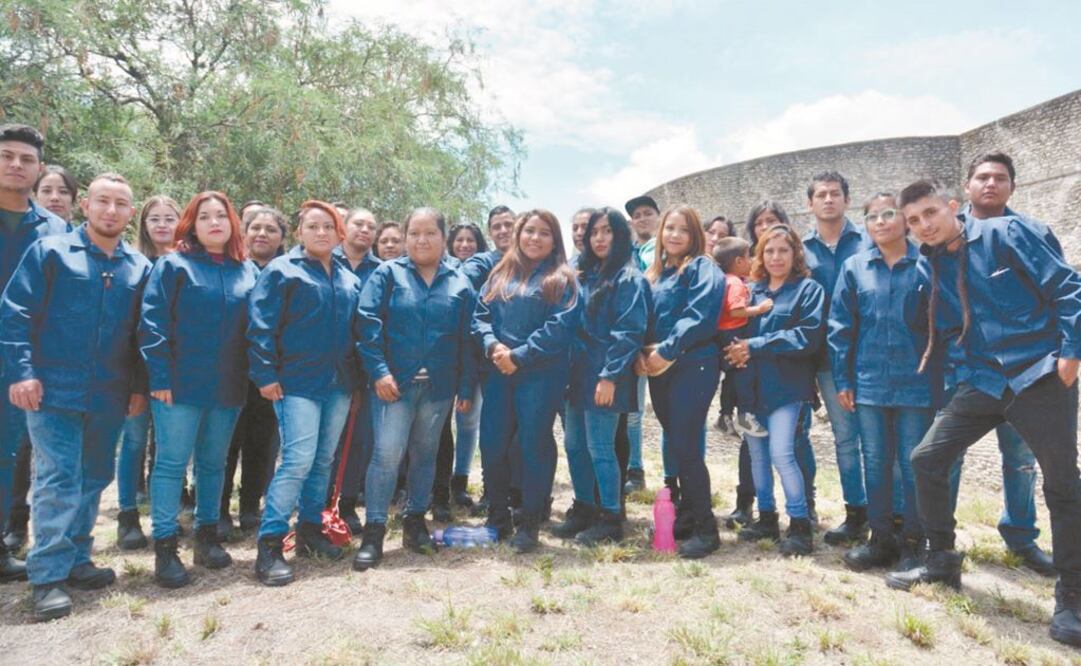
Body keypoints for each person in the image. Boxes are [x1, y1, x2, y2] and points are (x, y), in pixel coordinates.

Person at [884, 179, 1081, 649]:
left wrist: (1071, 352)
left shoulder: (1006, 234)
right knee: (927, 458)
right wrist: (961, 371)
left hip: (1037, 374)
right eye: (913, 221)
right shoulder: (927, 266)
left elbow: (1068, 286)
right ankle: (942, 562)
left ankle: (1072, 596)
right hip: (982, 382)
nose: (923, 225)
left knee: (1061, 483)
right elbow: (945, 326)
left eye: (930, 213)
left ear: (953, 206)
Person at [1, 172, 151, 620]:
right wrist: (22, 373)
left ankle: (77, 558)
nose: (111, 211)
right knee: (56, 478)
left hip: (110, 393)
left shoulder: (139, 268)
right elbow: (15, 314)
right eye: (102, 201)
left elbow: (143, 335)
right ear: (85, 204)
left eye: (120, 204)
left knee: (93, 476)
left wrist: (139, 387)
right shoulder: (50, 252)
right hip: (52, 391)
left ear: (130, 212)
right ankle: (46, 576)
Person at [941, 152, 1055, 576]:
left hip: (1024, 370)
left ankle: (1021, 538)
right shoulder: (947, 238)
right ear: (967, 185)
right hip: (966, 371)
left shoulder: (1031, 232)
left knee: (1021, 457)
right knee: (946, 454)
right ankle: (941, 540)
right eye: (982, 177)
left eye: (1000, 178)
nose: (991, 184)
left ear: (1012, 186)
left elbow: (1055, 291)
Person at [139, 191, 257, 588]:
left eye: (221, 216)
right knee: (172, 464)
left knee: (214, 464)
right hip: (178, 386)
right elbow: (152, 324)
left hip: (227, 385)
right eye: (204, 216)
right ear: (191, 223)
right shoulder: (174, 265)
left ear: (232, 223)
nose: (214, 222)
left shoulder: (246, 271)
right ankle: (166, 547)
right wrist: (159, 378)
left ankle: (206, 538)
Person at [351, 208, 477, 570]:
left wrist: (466, 386)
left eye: (430, 234)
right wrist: (378, 372)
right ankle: (374, 531)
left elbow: (468, 339)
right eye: (415, 234)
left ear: (443, 237)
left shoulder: (459, 281)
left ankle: (414, 521)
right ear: (405, 239)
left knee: (425, 454)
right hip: (394, 385)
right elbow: (367, 325)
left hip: (438, 387)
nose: (422, 240)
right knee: (387, 455)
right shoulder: (387, 274)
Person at [248, 201, 362, 586]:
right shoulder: (283, 271)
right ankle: (270, 544)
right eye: (313, 226)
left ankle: (311, 531)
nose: (322, 233)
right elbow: (260, 325)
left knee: (322, 460)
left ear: (339, 233)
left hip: (339, 383)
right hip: (296, 381)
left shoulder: (346, 275)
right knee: (296, 459)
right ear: (300, 233)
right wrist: (264, 373)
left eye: (329, 227)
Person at [828, 193, 933, 571]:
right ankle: (880, 539)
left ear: (905, 220)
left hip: (917, 384)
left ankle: (913, 545)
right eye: (873, 216)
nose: (882, 221)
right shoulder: (855, 267)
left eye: (889, 214)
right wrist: (843, 378)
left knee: (912, 463)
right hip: (869, 382)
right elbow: (840, 327)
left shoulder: (927, 264)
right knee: (874, 461)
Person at [472, 209, 579, 552]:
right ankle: (498, 515)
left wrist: (520, 355)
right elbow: (480, 316)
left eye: (544, 232)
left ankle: (529, 522)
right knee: (492, 444)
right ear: (518, 235)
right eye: (529, 231)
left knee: (534, 444)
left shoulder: (562, 279)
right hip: (499, 372)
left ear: (554, 240)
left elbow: (560, 327)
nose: (535, 238)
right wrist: (492, 345)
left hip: (540, 375)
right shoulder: (500, 274)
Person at [725, 225, 824, 557]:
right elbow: (729, 329)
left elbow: (806, 336)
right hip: (749, 388)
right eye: (769, 251)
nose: (776, 257)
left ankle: (799, 524)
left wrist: (753, 345)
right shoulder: (749, 293)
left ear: (796, 253)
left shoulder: (807, 290)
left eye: (783, 250)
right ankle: (766, 517)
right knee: (757, 456)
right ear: (759, 256)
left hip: (786, 387)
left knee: (782, 453)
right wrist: (734, 352)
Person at [553, 207, 648, 545]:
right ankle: (585, 507)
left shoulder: (629, 277)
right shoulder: (585, 274)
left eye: (607, 231)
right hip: (577, 374)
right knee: (574, 444)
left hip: (606, 376)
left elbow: (629, 331)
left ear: (621, 234)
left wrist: (609, 376)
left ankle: (610, 517)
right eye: (595, 232)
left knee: (601, 448)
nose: (600, 238)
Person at [0, 125, 70, 582]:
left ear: (39, 168)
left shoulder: (56, 229)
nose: (16, 165)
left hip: (26, 365)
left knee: (12, 456)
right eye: (7, 156)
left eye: (26, 159)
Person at [637, 204, 724, 559]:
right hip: (660, 369)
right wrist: (640, 354)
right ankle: (686, 514)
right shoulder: (656, 274)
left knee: (687, 446)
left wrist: (667, 350)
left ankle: (707, 528)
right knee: (676, 443)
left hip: (693, 365)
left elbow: (700, 315)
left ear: (695, 236)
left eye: (683, 230)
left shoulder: (703, 267)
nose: (674, 235)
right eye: (669, 228)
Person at [802, 171, 872, 545]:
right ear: (810, 203)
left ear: (847, 199)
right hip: (828, 360)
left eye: (835, 194)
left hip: (873, 353)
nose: (828, 200)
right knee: (846, 439)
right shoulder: (801, 249)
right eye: (821, 195)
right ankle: (856, 513)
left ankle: (890, 516)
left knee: (882, 441)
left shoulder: (868, 240)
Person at [114, 195, 181, 552]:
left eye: (169, 218)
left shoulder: (188, 264)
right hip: (137, 372)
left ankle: (164, 519)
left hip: (177, 375)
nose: (161, 224)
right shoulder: (134, 265)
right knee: (135, 442)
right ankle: (127, 515)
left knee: (170, 450)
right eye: (153, 218)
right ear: (143, 224)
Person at [220, 206, 288, 536]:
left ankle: (250, 507)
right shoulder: (231, 269)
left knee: (262, 444)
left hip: (273, 374)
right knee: (225, 445)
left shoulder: (289, 272)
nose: (262, 234)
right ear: (243, 233)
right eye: (255, 228)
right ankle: (218, 512)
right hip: (230, 371)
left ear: (282, 238)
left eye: (270, 229)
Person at [430, 221, 490, 519]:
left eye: (471, 240)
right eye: (459, 240)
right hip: (445, 357)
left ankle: (460, 481)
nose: (465, 245)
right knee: (438, 424)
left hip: (477, 357)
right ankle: (433, 486)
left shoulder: (486, 270)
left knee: (467, 422)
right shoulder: (441, 270)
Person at [328, 207, 382, 532]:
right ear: (343, 228)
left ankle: (346, 504)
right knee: (325, 444)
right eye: (358, 224)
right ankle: (318, 506)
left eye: (370, 226)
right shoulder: (324, 262)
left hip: (365, 368)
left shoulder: (382, 271)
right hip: (327, 367)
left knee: (359, 440)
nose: (364, 230)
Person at [620, 194, 661, 494]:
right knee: (629, 410)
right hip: (630, 340)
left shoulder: (666, 249)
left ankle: (648, 474)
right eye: (637, 215)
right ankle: (631, 468)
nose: (643, 218)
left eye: (648, 213)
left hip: (659, 342)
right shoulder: (627, 252)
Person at [712, 237, 772, 437]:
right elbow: (737, 311)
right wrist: (759, 309)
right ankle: (745, 415)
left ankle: (725, 415)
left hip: (722, 334)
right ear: (738, 261)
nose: (753, 261)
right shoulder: (735, 283)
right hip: (733, 334)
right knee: (745, 372)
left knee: (731, 377)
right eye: (749, 257)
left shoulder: (722, 280)